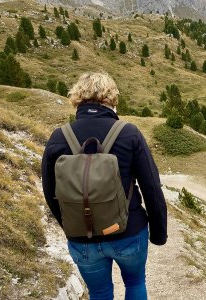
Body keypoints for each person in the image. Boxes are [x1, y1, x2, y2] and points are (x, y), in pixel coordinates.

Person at [41, 72, 167, 299]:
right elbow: (152, 187)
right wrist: (158, 234)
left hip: (82, 238)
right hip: (129, 231)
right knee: (136, 283)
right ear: (111, 99)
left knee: (99, 292)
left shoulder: (58, 137)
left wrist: (72, 226)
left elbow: (51, 193)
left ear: (77, 98)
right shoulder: (129, 133)